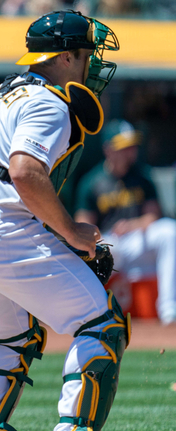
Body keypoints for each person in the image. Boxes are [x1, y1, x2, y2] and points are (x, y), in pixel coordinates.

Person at [0, 10, 129, 431]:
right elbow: (23, 172)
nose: (92, 63)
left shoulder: (0, 94)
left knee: (11, 336)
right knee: (103, 322)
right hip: (0, 233)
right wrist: (72, 231)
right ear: (64, 58)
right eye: (86, 54)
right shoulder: (49, 101)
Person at [74, 119, 176, 325]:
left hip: (136, 241)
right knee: (93, 252)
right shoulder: (92, 182)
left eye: (131, 146)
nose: (130, 151)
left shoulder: (142, 176)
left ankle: (169, 311)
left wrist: (132, 225)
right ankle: (88, 317)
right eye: (124, 147)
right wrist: (101, 237)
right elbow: (82, 225)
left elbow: (152, 216)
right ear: (109, 150)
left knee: (169, 231)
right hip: (109, 242)